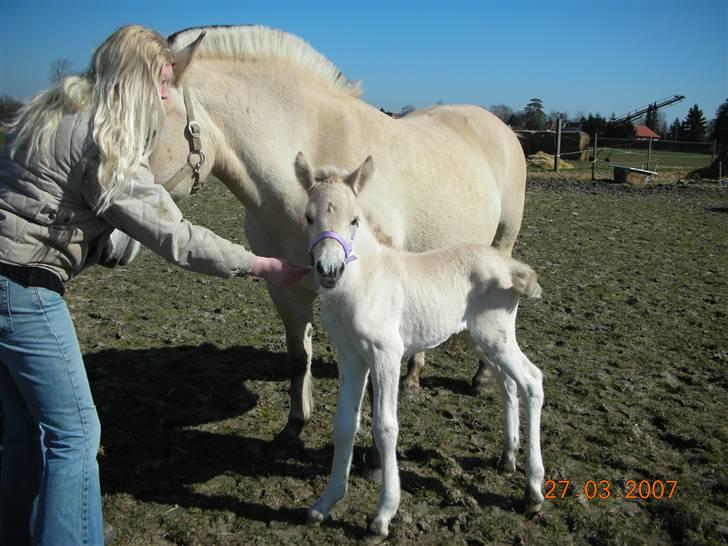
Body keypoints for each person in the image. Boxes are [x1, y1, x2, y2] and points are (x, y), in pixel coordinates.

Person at [0, 25, 308, 545]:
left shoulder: (49, 110)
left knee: (26, 433)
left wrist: (104, 239)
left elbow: (64, 214)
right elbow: (179, 240)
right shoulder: (106, 134)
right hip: (24, 290)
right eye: (164, 81)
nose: (168, 94)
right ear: (137, 79)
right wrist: (259, 265)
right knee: (77, 436)